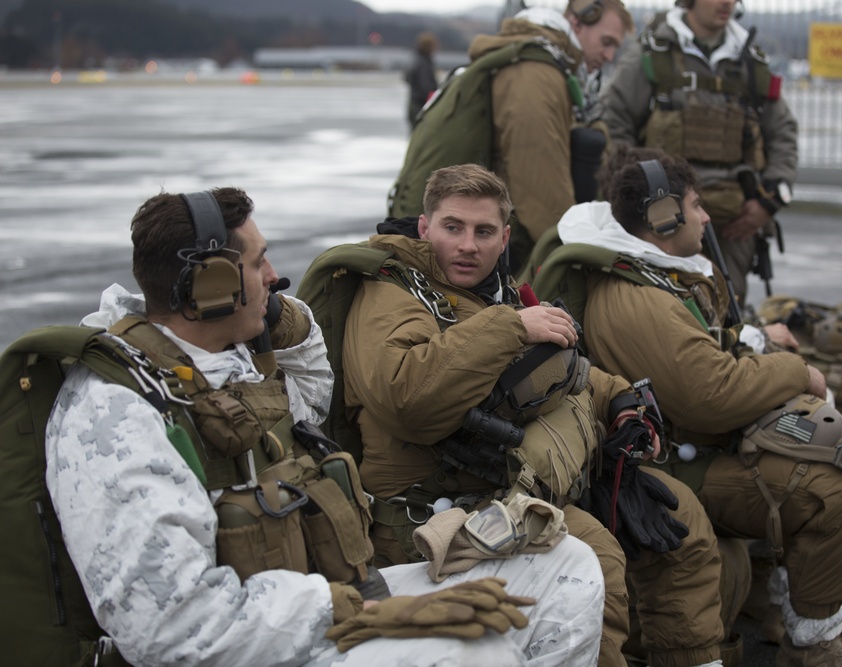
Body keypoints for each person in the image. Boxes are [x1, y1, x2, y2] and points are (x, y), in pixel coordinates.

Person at [44, 187, 606, 667]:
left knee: (566, 566)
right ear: (209, 287)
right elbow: (169, 628)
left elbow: (313, 391)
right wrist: (359, 614)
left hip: (323, 599)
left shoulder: (226, 364)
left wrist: (276, 317)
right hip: (263, 639)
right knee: (478, 652)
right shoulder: (119, 411)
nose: (274, 277)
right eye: (259, 263)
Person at [340, 163, 728, 667]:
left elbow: (565, 367)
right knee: (594, 561)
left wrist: (622, 402)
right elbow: (408, 399)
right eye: (452, 227)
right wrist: (511, 327)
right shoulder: (392, 294)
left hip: (514, 486)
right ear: (423, 227)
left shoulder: (495, 293)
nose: (467, 246)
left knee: (680, 514)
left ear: (504, 239)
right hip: (433, 510)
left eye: (483, 233)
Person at [537, 146, 842, 667]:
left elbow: (702, 348)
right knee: (841, 489)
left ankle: (775, 604)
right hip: (670, 463)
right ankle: (812, 642)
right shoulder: (636, 298)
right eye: (694, 206)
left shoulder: (651, 272)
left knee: (819, 447)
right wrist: (796, 371)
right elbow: (711, 396)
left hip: (687, 448)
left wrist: (756, 340)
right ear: (661, 217)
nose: (705, 215)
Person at [390, 0, 634, 275]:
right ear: (577, 22)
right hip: (478, 245)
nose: (610, 55)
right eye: (607, 41)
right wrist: (575, 261)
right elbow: (539, 189)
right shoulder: (535, 74)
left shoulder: (540, 62)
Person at [601, 0, 798, 305]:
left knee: (728, 306)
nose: (727, 3)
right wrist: (641, 196)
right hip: (663, 218)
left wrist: (768, 201)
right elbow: (614, 121)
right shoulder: (653, 56)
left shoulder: (750, 63)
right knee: (665, 306)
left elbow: (783, 132)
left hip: (735, 220)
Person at [405, 31, 439, 129]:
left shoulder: (415, 59)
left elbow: (406, 78)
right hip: (421, 106)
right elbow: (427, 88)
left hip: (414, 103)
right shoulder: (423, 64)